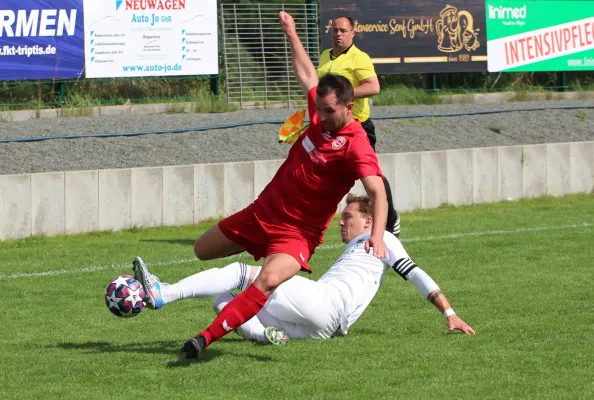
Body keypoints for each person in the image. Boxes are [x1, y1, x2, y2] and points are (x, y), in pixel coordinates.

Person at [133, 10, 389, 360]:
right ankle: (241, 302)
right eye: (319, 109)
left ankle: (202, 339)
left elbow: (376, 190)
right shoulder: (318, 117)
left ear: (348, 105)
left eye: (329, 111)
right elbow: (306, 75)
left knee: (265, 281)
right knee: (202, 249)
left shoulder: (356, 142)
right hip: (262, 212)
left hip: (298, 234)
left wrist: (376, 236)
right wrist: (291, 33)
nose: (322, 117)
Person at [132, 193, 475, 346]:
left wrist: (449, 312)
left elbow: (413, 272)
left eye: (348, 216)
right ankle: (266, 335)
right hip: (325, 328)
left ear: (370, 220)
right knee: (224, 302)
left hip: (327, 303)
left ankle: (165, 292)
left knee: (243, 272)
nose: (341, 222)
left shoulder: (380, 237)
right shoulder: (359, 246)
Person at [317, 16, 401, 238]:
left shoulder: (359, 58)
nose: (338, 34)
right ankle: (317, 220)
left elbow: (374, 86)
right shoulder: (326, 56)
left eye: (343, 30)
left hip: (358, 127)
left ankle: (390, 219)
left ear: (352, 33)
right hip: (332, 127)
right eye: (335, 30)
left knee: (371, 177)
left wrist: (342, 97)